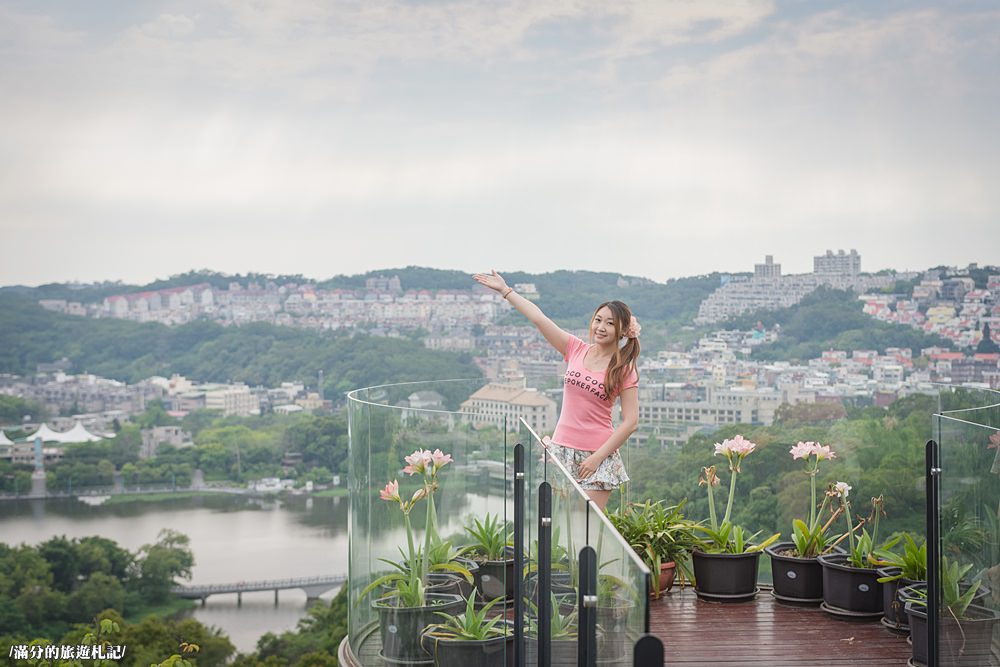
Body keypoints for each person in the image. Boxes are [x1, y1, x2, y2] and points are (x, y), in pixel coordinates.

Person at [473, 270, 639, 510]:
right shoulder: (575, 348)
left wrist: (597, 457)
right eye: (598, 319)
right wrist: (506, 291)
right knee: (559, 524)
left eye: (610, 323)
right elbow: (539, 319)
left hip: (598, 454)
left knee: (586, 525)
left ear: (623, 331)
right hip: (561, 448)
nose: (601, 327)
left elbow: (631, 422)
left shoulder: (623, 369)